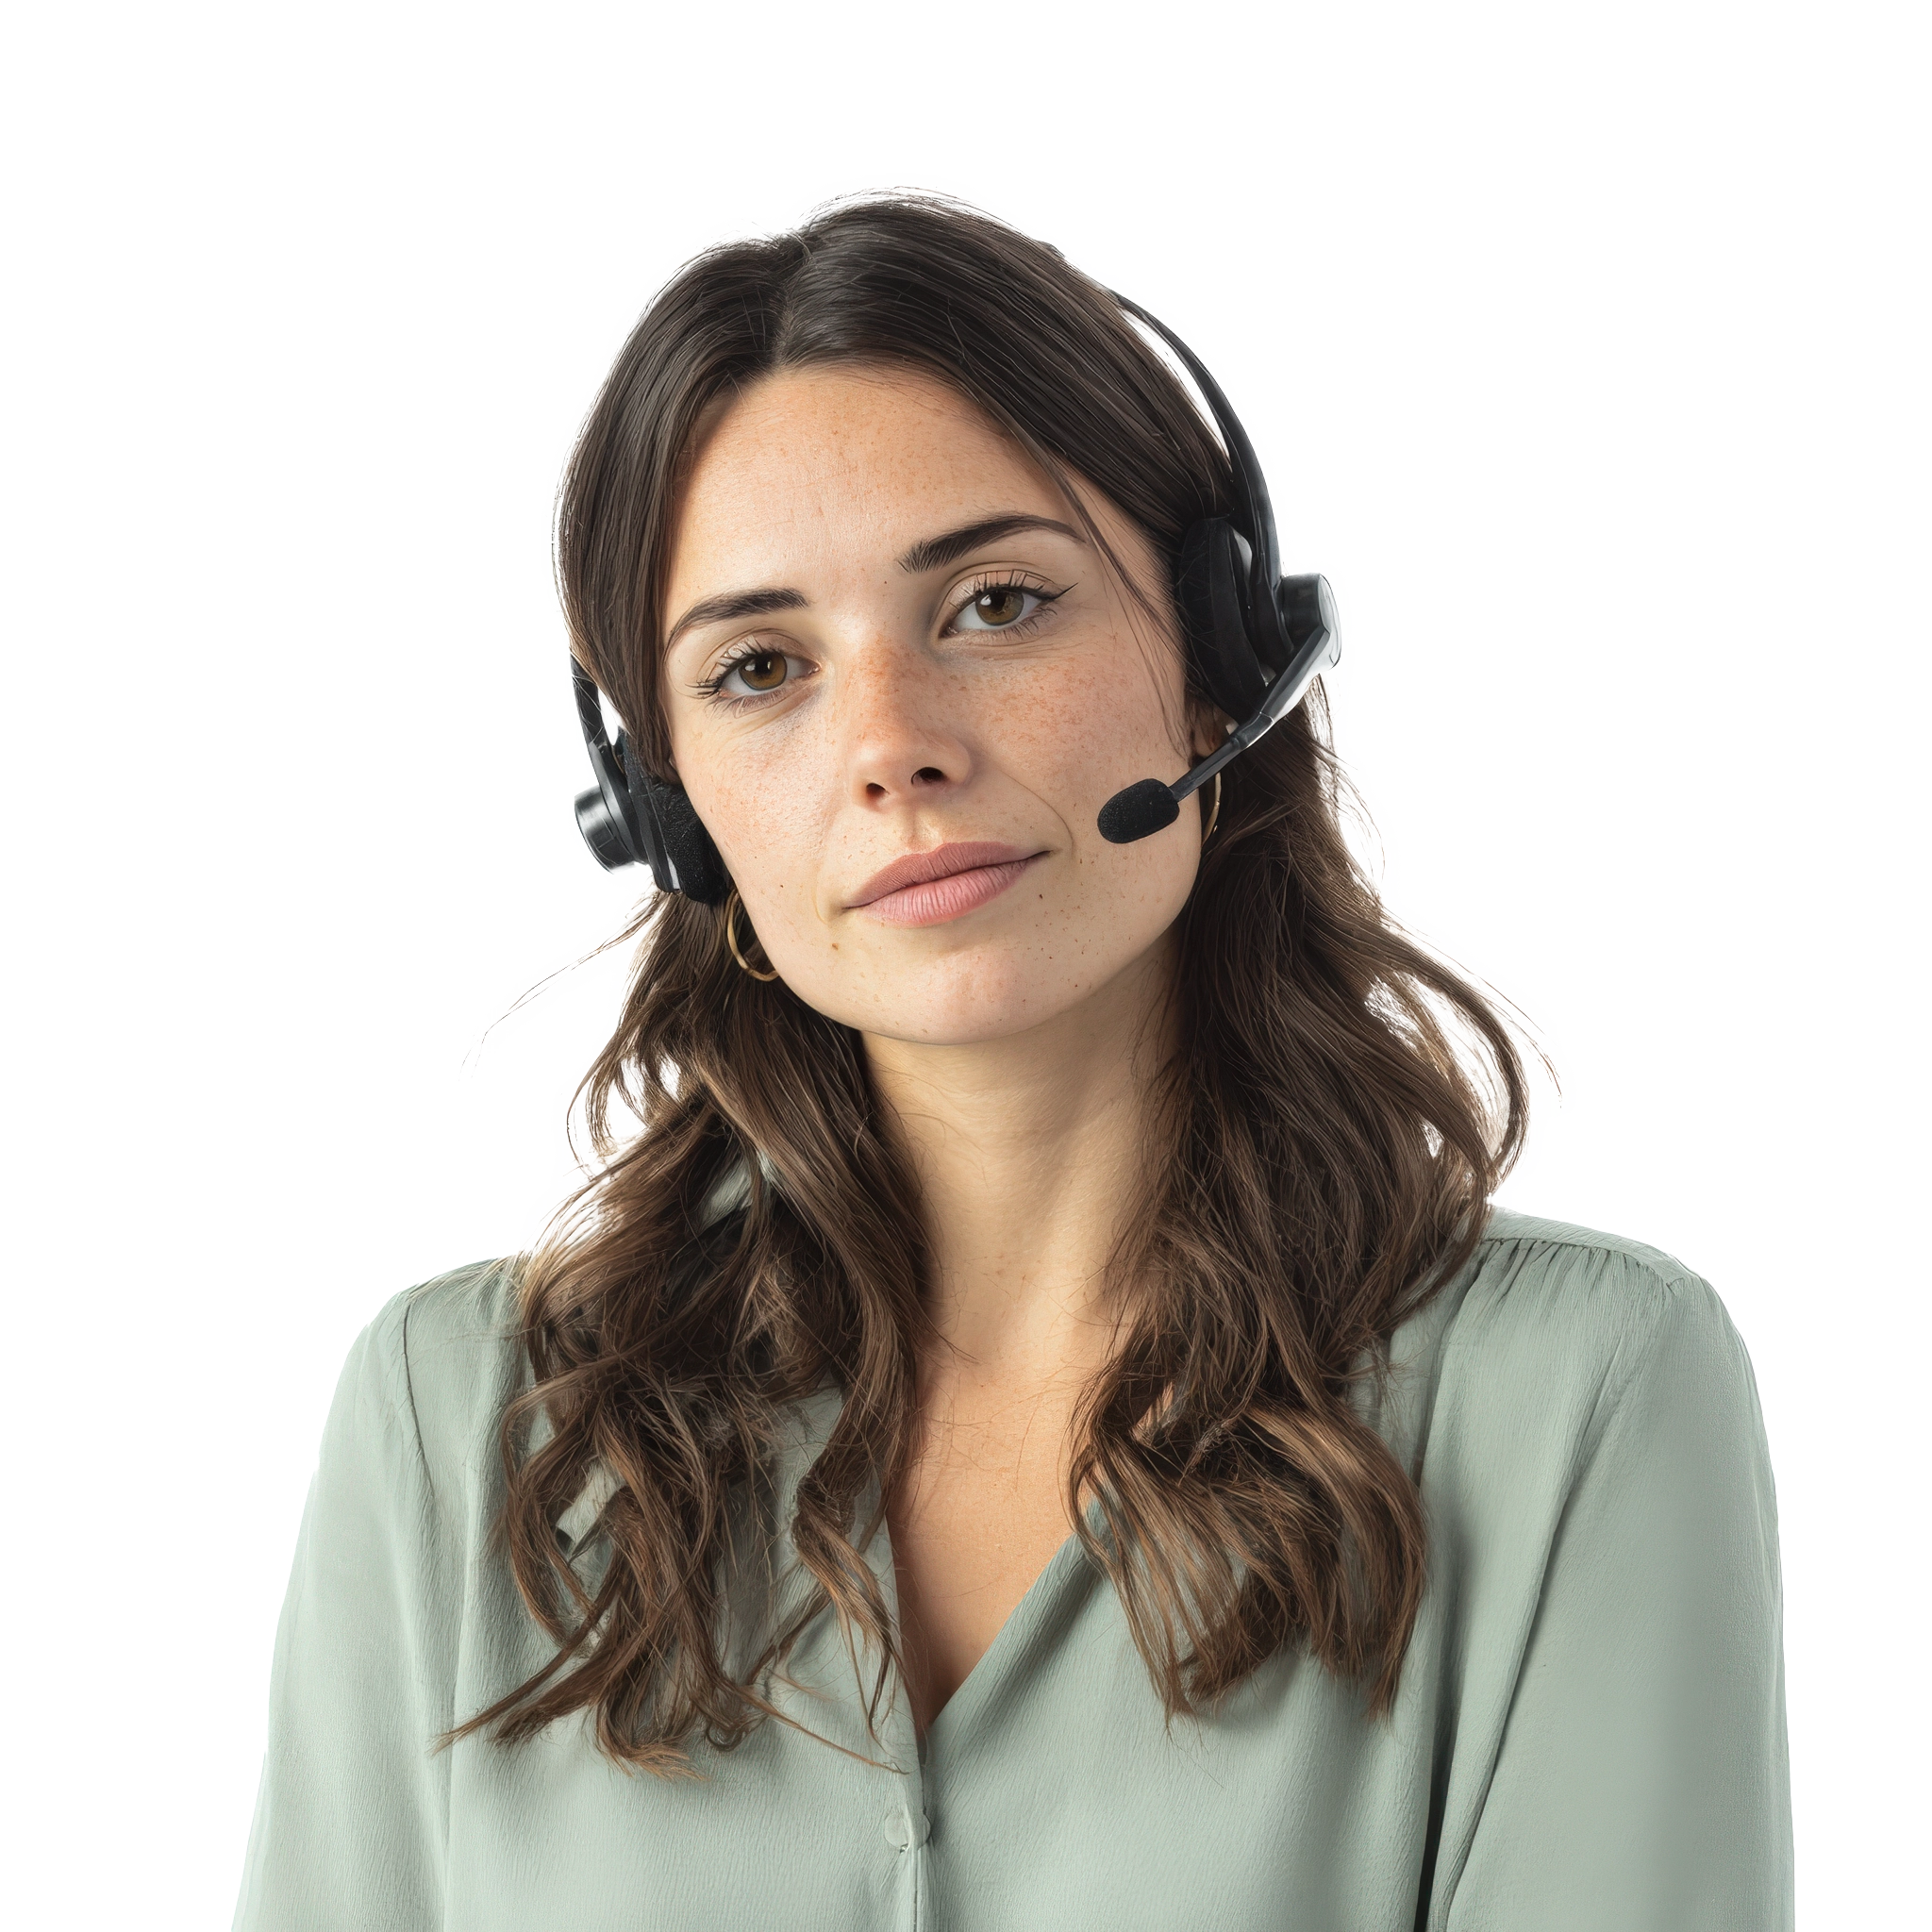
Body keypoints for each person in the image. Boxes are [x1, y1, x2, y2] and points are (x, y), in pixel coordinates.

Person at [231, 191, 1793, 1931]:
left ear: (1221, 658)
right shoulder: (460, 1427)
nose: (892, 747)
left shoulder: (1577, 1398)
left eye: (993, 603)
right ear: (667, 812)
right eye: (760, 667)